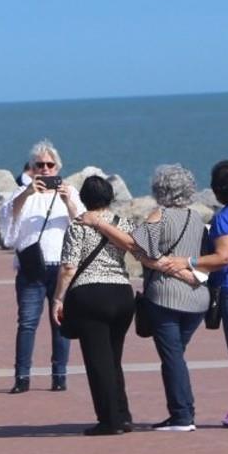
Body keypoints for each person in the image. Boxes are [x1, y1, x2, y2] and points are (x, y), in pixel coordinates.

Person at [84, 164, 209, 431]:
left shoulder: (158, 216)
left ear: (159, 188)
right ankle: (184, 411)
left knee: (172, 358)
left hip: (166, 297)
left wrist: (100, 223)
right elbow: (205, 259)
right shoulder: (196, 219)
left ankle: (182, 416)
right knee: (177, 357)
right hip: (197, 300)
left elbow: (138, 246)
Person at [156, 160, 228, 427]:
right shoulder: (212, 217)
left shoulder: (226, 217)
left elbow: (223, 257)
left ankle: (186, 413)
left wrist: (187, 262)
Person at [0, 139, 82, 394]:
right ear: (32, 168)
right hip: (31, 267)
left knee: (60, 321)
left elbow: (82, 224)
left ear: (58, 167)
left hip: (61, 268)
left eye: (50, 165)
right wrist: (27, 193)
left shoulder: (70, 192)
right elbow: (8, 224)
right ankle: (22, 377)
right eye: (40, 165)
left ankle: (59, 375)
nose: (45, 169)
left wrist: (68, 202)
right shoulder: (22, 194)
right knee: (27, 322)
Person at [53, 176, 135, 435]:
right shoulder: (124, 223)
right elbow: (133, 247)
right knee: (114, 358)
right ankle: (123, 414)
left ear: (84, 199)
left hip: (90, 295)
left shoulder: (78, 226)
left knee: (98, 362)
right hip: (122, 293)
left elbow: (68, 267)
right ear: (110, 197)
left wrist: (58, 298)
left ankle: (109, 420)